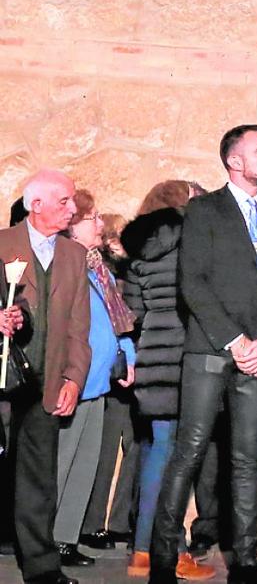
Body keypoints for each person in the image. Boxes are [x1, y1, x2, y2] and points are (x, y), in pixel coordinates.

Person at [149, 125, 257, 584]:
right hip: (211, 352)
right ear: (234, 161)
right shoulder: (204, 210)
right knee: (188, 453)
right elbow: (192, 282)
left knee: (249, 459)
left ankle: (247, 565)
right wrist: (235, 340)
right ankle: (161, 562)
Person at [0, 170, 91, 584]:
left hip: (46, 382)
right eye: (65, 202)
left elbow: (79, 326)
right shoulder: (2, 245)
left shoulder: (74, 256)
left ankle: (41, 567)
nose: (73, 209)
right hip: (2, 378)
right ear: (35, 205)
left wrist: (73, 378)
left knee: (39, 478)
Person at [120, 181, 213, 581]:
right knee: (177, 457)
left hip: (152, 353)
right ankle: (165, 550)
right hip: (182, 351)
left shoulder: (139, 248)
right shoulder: (188, 240)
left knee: (159, 451)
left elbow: (132, 311)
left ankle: (144, 549)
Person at [52, 192, 136, 569]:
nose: (100, 224)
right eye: (93, 218)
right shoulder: (64, 264)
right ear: (74, 224)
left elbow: (116, 321)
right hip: (74, 378)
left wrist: (128, 357)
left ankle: (67, 539)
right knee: (62, 461)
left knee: (85, 464)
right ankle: (49, 538)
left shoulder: (98, 267)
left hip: (99, 379)